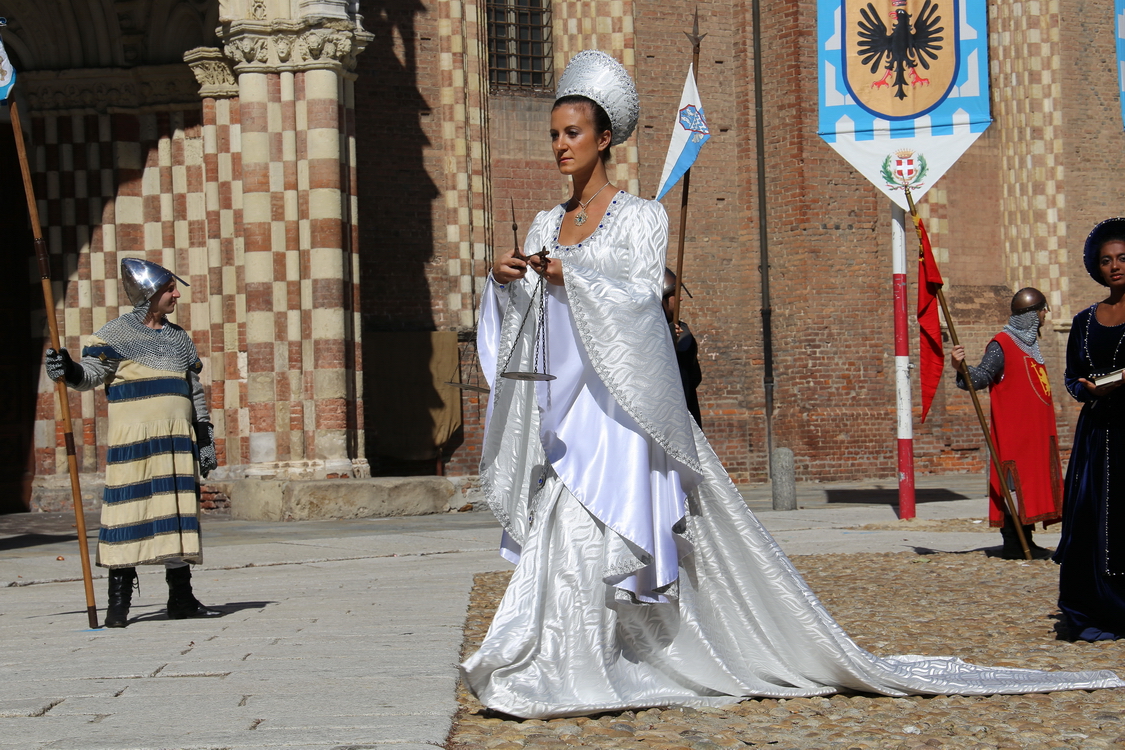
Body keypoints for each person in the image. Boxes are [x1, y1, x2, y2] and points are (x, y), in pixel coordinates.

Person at [459, 49, 1121, 719]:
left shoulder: (640, 218)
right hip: (571, 413)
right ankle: (555, 659)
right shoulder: (546, 224)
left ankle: (588, 662)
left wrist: (575, 279)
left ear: (605, 139)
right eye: (553, 135)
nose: (559, 147)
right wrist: (507, 284)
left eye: (571, 134)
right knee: (560, 534)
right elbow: (533, 327)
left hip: (626, 418)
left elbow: (640, 304)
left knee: (597, 535)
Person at [45, 258, 221, 628]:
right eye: (169, 289)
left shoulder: (179, 339)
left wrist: (203, 434)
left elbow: (194, 391)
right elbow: (91, 376)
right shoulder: (114, 336)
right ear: (148, 295)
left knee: (176, 515)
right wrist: (68, 368)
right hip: (135, 442)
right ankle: (119, 603)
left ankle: (181, 598)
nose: (176, 294)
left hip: (176, 440)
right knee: (128, 513)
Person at [949, 288, 1062, 560]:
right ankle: (1013, 542)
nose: (1046, 313)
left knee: (1032, 484)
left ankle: (1028, 540)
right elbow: (980, 378)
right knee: (1015, 483)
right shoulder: (1002, 343)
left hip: (1034, 431)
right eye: (1043, 309)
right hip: (1015, 431)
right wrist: (960, 367)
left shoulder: (1030, 346)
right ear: (1032, 314)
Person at [1055, 218, 1125, 641]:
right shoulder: (1083, 321)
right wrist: (1082, 388)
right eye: (1106, 261)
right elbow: (1071, 374)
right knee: (1092, 516)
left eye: (1122, 258)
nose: (1115, 267)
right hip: (1098, 436)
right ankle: (1093, 606)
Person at [663, 268, 703, 429]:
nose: (680, 298)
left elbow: (694, 376)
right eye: (674, 293)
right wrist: (665, 339)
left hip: (686, 414)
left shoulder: (683, 330)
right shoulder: (646, 335)